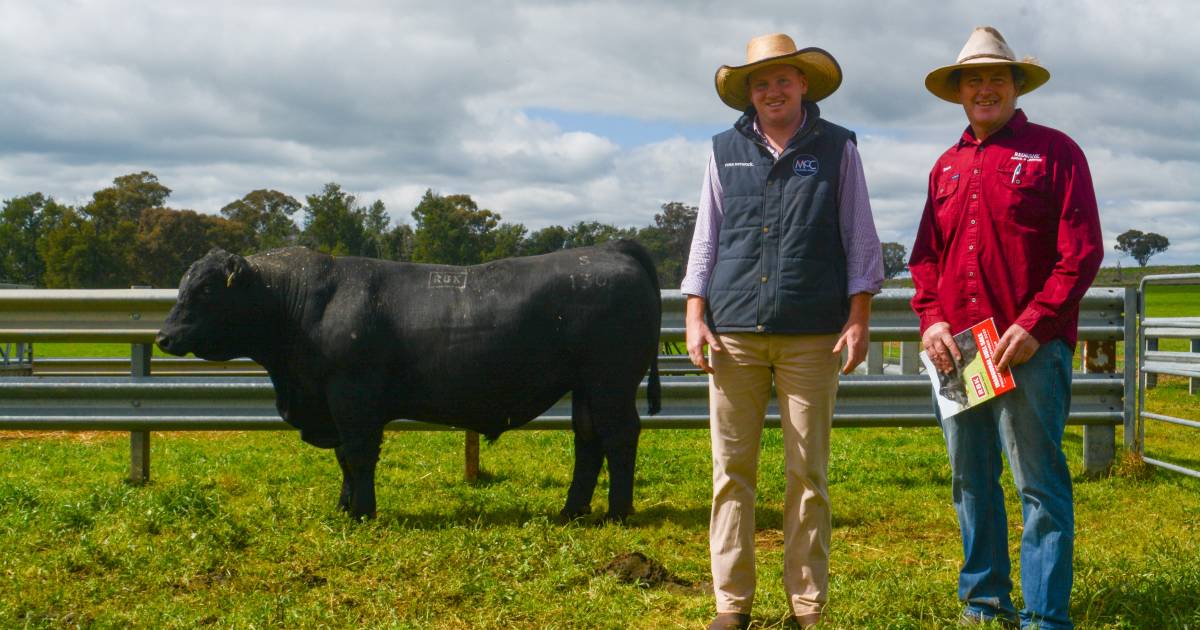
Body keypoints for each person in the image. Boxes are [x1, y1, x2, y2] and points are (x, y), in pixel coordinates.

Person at [682, 33, 883, 630]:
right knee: (730, 474)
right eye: (761, 82)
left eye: (783, 79)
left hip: (811, 332)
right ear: (748, 92)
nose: (773, 90)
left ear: (803, 85)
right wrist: (694, 313)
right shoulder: (722, 151)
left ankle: (807, 606)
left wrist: (859, 314)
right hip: (733, 331)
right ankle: (731, 604)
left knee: (808, 474)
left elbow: (860, 235)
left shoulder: (838, 148)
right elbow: (706, 236)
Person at [909, 26, 1104, 629]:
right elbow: (926, 258)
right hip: (962, 350)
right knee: (971, 479)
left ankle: (1046, 617)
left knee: (1038, 482)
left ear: (1017, 86)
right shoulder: (946, 167)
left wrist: (1036, 324)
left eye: (997, 77)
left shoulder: (1055, 152)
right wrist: (932, 320)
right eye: (974, 79)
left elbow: (1082, 250)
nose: (985, 88)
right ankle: (985, 599)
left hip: (1027, 348)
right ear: (959, 91)